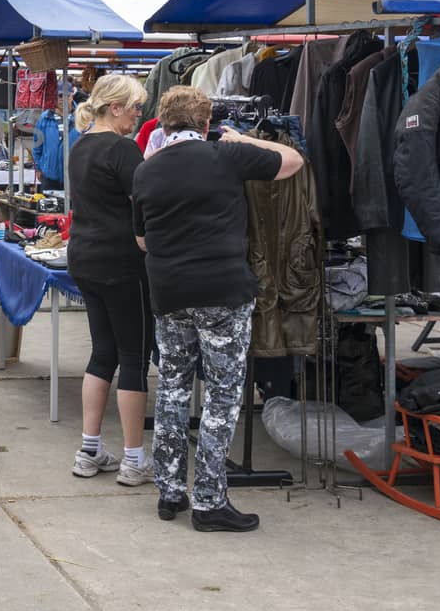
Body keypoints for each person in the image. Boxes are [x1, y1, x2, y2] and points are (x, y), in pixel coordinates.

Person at [131, 86, 303, 532]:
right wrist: (240, 139)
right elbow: (293, 161)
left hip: (169, 292)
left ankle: (170, 490)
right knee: (223, 396)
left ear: (163, 124)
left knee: (171, 387)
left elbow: (142, 239)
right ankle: (210, 499)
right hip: (222, 291)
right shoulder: (224, 156)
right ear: (206, 124)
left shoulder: (146, 172)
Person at [64, 75, 153, 485]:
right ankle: (135, 458)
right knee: (133, 357)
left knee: (102, 353)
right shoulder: (122, 149)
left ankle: (89, 448)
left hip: (84, 257)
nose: (139, 114)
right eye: (135, 107)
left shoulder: (80, 144)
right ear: (114, 107)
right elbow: (146, 203)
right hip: (122, 263)